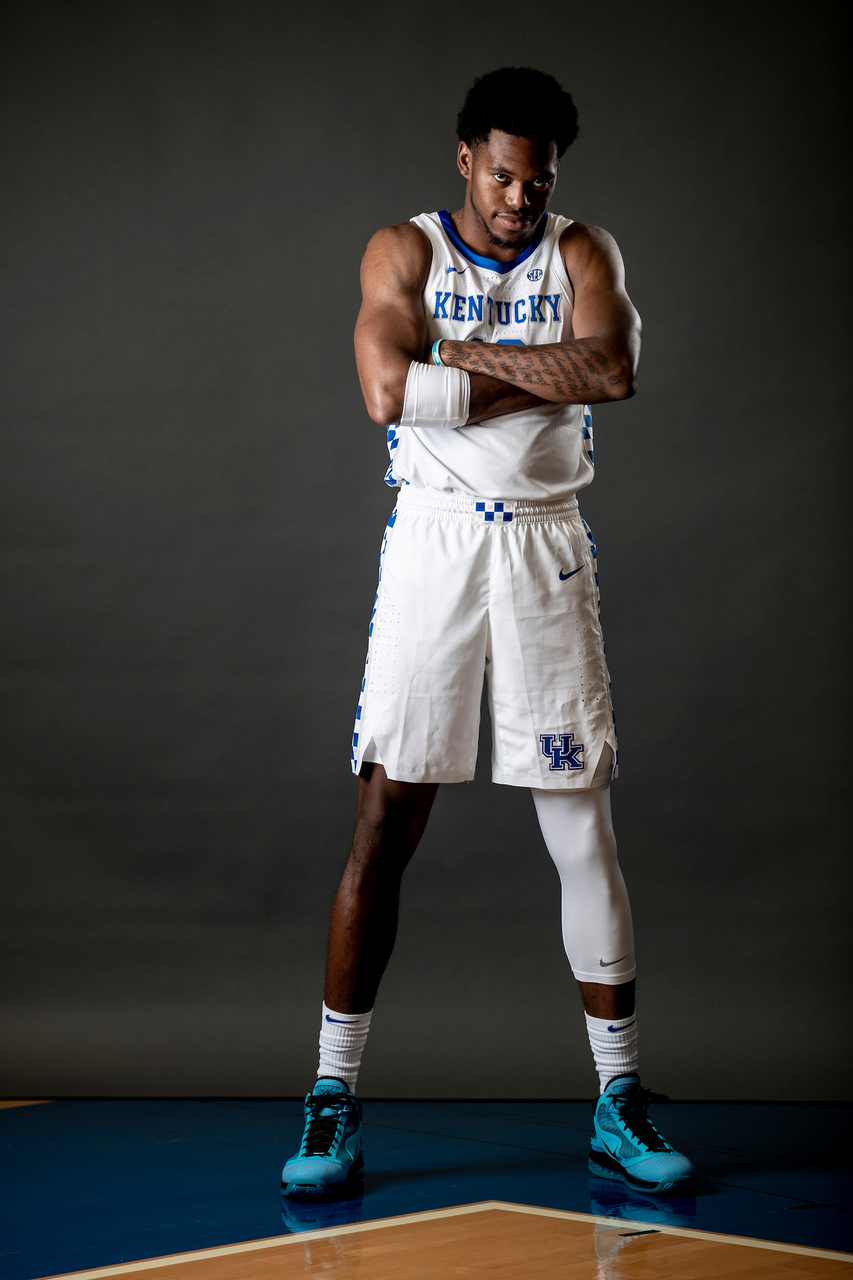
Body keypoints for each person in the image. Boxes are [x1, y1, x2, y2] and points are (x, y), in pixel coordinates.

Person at [282, 66, 694, 1201]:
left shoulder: (583, 253)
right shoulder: (402, 251)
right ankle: (331, 1095)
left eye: (537, 177)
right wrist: (529, 371)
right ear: (465, 158)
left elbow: (612, 366)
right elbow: (380, 387)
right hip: (433, 547)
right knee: (384, 818)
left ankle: (616, 1099)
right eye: (502, 172)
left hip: (544, 545)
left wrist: (453, 360)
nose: (518, 195)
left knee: (580, 820)